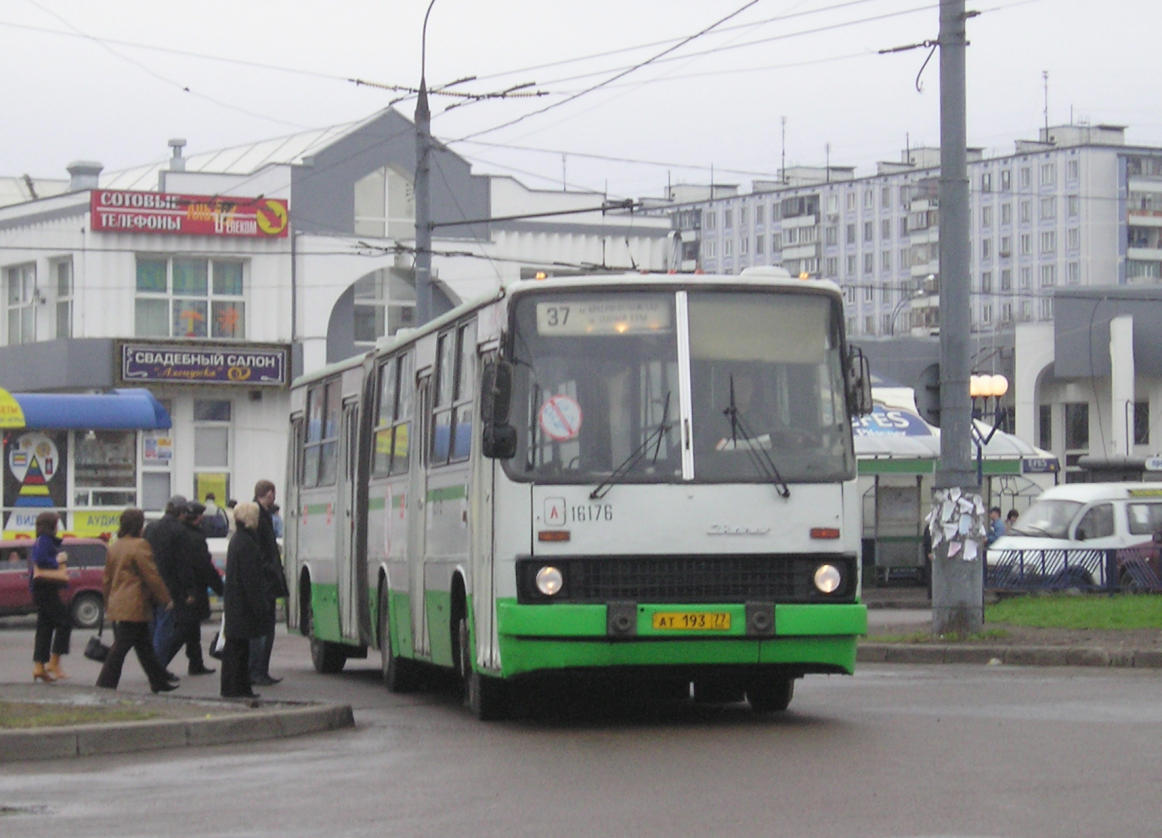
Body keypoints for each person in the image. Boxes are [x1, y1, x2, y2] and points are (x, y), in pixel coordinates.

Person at [95, 508, 178, 693]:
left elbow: (107, 578)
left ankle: (158, 681)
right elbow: (151, 575)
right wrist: (166, 599)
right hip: (135, 603)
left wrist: (107, 602)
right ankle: (104, 684)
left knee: (144, 646)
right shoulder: (140, 545)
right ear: (139, 526)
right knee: (121, 647)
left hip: (120, 601)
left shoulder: (115, 546)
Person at [159, 502, 223, 675]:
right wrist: (220, 588)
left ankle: (196, 663)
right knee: (184, 628)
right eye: (201, 515)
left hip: (180, 587)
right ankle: (159, 666)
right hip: (191, 589)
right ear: (197, 517)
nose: (203, 518)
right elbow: (204, 566)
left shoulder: (180, 532)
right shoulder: (193, 537)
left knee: (192, 627)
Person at [144, 495, 198, 673]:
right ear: (181, 513)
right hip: (170, 588)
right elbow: (184, 564)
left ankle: (152, 664)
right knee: (164, 628)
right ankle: (158, 669)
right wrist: (189, 590)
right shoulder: (179, 531)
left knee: (152, 627)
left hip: (150, 584)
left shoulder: (151, 528)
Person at [221, 502, 270, 699]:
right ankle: (237, 688)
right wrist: (261, 606)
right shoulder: (248, 543)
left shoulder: (237, 540)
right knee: (239, 650)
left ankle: (235, 687)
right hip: (243, 604)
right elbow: (252, 579)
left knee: (236, 648)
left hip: (235, 602)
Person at [249, 480, 287, 686]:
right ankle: (257, 670)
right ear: (268, 494)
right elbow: (264, 552)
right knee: (263, 630)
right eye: (273, 493)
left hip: (266, 581)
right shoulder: (260, 517)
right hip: (266, 583)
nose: (275, 497)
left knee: (265, 630)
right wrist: (271, 571)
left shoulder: (263, 515)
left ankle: (260, 670)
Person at [29, 511, 72, 682]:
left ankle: (39, 667)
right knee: (65, 621)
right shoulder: (44, 541)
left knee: (45, 627)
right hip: (44, 589)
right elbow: (40, 560)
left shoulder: (43, 540)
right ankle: (54, 662)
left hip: (43, 588)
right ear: (51, 525)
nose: (57, 527)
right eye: (56, 523)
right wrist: (58, 560)